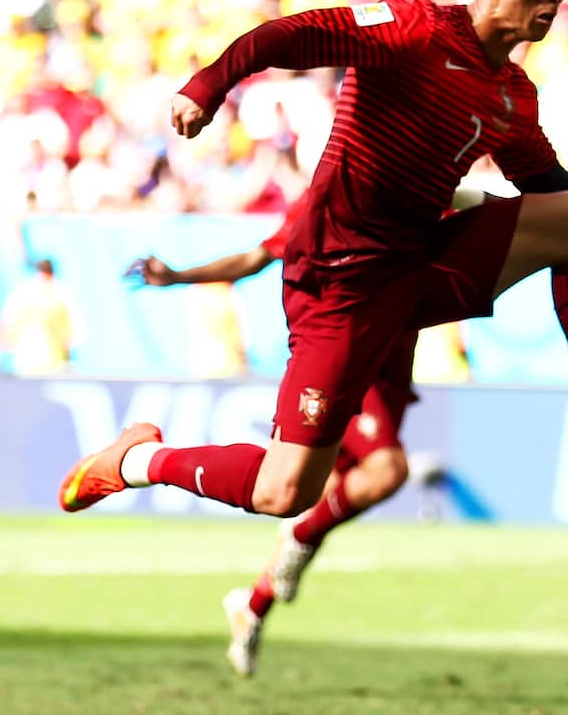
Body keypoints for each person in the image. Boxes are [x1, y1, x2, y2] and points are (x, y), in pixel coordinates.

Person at [58, 0, 568, 523]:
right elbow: (293, 33)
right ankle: (138, 460)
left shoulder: (514, 96)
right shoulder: (414, 29)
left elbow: (553, 185)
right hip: (339, 284)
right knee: (284, 492)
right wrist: (208, 85)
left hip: (420, 263)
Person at [126, 188, 420, 677]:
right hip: (347, 363)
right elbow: (254, 258)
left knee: (330, 491)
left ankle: (254, 605)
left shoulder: (424, 189)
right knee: (385, 471)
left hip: (391, 373)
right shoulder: (326, 202)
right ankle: (295, 536)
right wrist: (178, 276)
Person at [0, 258, 79, 375]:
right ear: (51, 273)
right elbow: (73, 334)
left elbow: (7, 332)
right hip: (54, 365)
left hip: (25, 364)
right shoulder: (61, 296)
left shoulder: (20, 294)